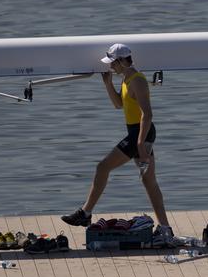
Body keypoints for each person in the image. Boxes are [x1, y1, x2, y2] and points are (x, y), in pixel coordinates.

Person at [61, 43, 174, 246]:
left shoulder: (137, 81)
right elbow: (118, 105)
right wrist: (107, 84)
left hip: (140, 134)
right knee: (149, 182)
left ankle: (85, 213)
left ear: (122, 61)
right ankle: (165, 228)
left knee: (103, 167)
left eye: (113, 63)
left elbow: (147, 114)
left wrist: (140, 143)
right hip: (137, 133)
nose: (111, 67)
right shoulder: (125, 79)